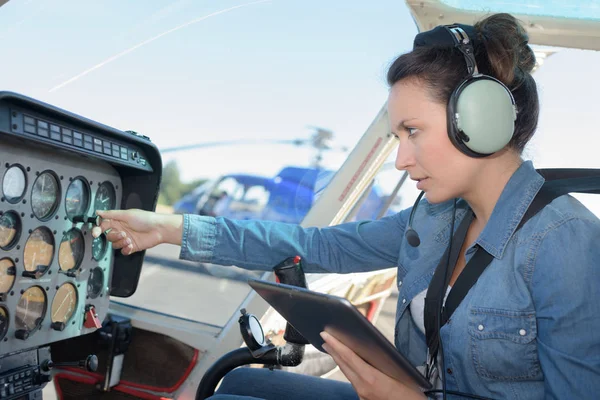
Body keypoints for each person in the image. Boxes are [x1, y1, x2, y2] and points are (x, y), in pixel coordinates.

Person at [92, 13, 600, 400]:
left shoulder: (565, 242)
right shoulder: (437, 217)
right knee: (242, 382)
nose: (401, 159)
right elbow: (317, 245)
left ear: (481, 120)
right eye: (397, 135)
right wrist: (167, 228)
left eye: (413, 132)